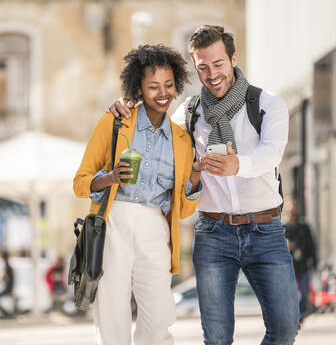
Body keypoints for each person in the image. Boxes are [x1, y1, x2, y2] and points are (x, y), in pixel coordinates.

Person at [107, 25, 300, 344]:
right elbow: (155, 137)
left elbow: (272, 154)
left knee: (285, 328)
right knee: (217, 338)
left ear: (233, 59)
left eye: (218, 64)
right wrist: (125, 109)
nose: (212, 74)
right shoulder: (190, 113)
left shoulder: (267, 104)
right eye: (203, 67)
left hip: (265, 229)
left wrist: (238, 165)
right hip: (213, 233)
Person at [74, 44, 201, 345]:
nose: (163, 93)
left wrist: (195, 177)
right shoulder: (116, 121)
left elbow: (181, 211)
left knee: (159, 318)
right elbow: (80, 182)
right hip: (114, 221)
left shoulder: (182, 140)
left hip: (155, 228)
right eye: (153, 86)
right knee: (113, 317)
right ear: (139, 89)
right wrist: (110, 177)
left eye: (169, 85)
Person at [285, 198, 318, 322]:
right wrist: (286, 244)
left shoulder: (304, 227)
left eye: (295, 206)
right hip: (288, 266)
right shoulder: (281, 227)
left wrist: (314, 262)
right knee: (290, 293)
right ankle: (293, 316)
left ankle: (299, 315)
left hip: (303, 265)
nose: (293, 209)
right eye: (290, 206)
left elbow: (312, 246)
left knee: (304, 293)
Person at [0, 249, 15, 318]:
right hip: (7, 289)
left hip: (8, 289)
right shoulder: (8, 266)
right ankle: (5, 313)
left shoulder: (7, 266)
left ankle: (5, 314)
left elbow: (3, 276)